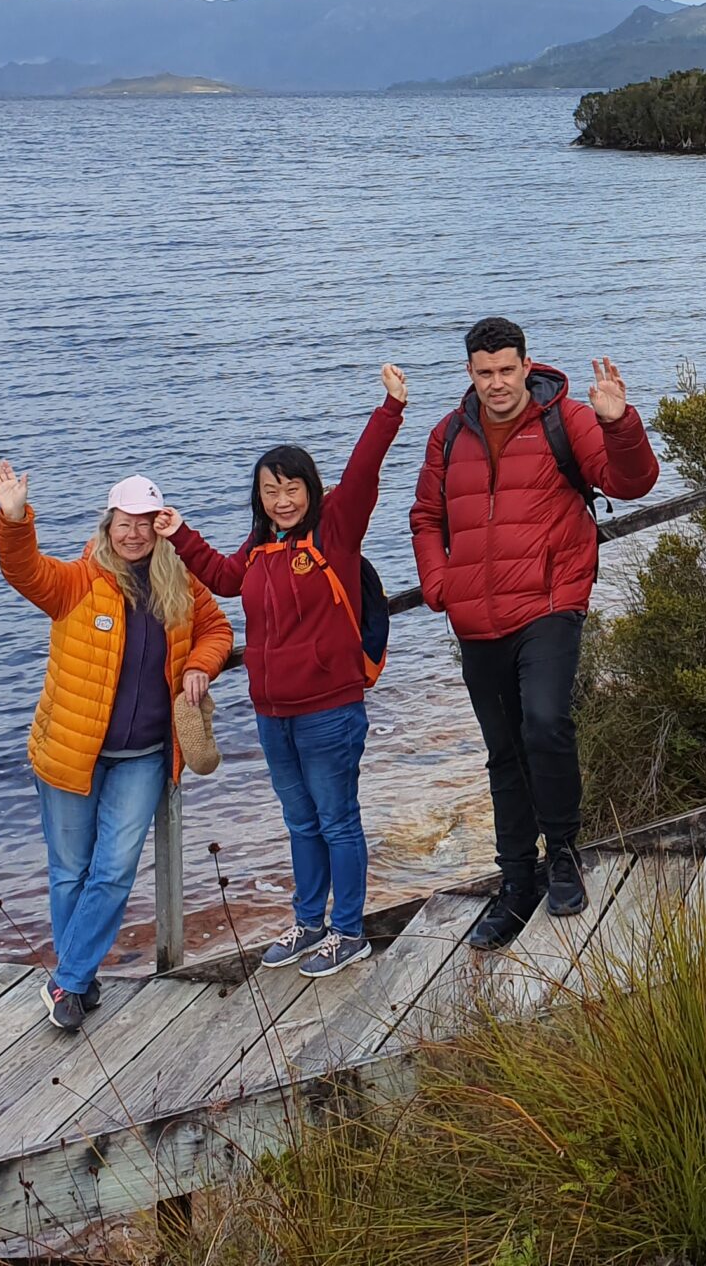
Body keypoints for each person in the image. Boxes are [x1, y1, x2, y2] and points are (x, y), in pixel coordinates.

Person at [409, 317, 660, 951]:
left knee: (545, 723)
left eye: (506, 370)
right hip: (476, 617)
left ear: (526, 366)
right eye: (484, 372)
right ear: (470, 372)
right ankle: (517, 880)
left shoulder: (566, 418)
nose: (496, 382)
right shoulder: (448, 436)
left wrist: (619, 422)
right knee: (503, 751)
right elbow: (426, 516)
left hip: (549, 602)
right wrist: (440, 583)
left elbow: (633, 483)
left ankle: (564, 855)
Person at [156, 367, 408, 979]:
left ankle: (349, 931)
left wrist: (390, 409)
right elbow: (221, 578)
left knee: (337, 820)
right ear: (260, 498)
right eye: (271, 490)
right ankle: (309, 924)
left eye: (293, 487)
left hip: (330, 709)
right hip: (274, 715)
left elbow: (364, 472)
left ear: (311, 489)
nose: (284, 499)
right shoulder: (260, 549)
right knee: (301, 823)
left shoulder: (337, 529)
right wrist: (178, 532)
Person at [0, 460, 232, 1031]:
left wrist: (199, 665)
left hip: (144, 756)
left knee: (114, 869)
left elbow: (219, 630)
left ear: (163, 526)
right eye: (125, 521)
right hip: (71, 753)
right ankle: (79, 978)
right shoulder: (77, 581)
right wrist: (15, 517)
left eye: (147, 522)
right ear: (108, 524)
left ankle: (67, 981)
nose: (135, 533)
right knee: (70, 871)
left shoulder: (182, 582)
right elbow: (23, 570)